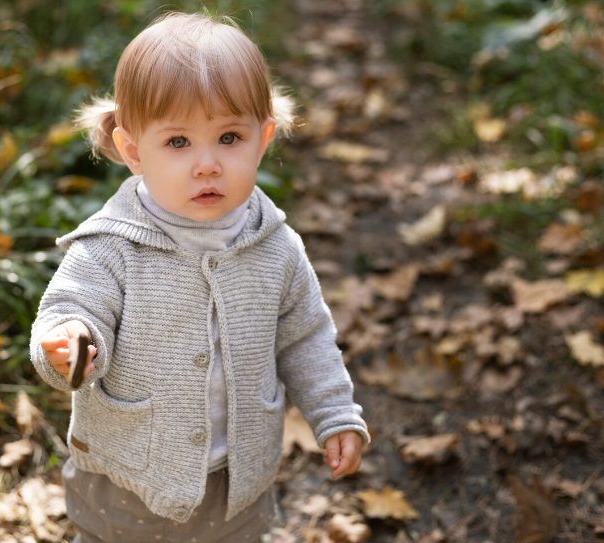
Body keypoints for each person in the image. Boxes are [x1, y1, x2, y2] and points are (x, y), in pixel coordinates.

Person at [29, 11, 369, 543]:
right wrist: (69, 343)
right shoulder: (111, 246)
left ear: (264, 139)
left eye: (229, 137)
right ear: (133, 151)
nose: (207, 164)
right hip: (129, 480)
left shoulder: (275, 246)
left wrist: (334, 413)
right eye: (179, 143)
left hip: (237, 484)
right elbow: (74, 309)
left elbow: (305, 336)